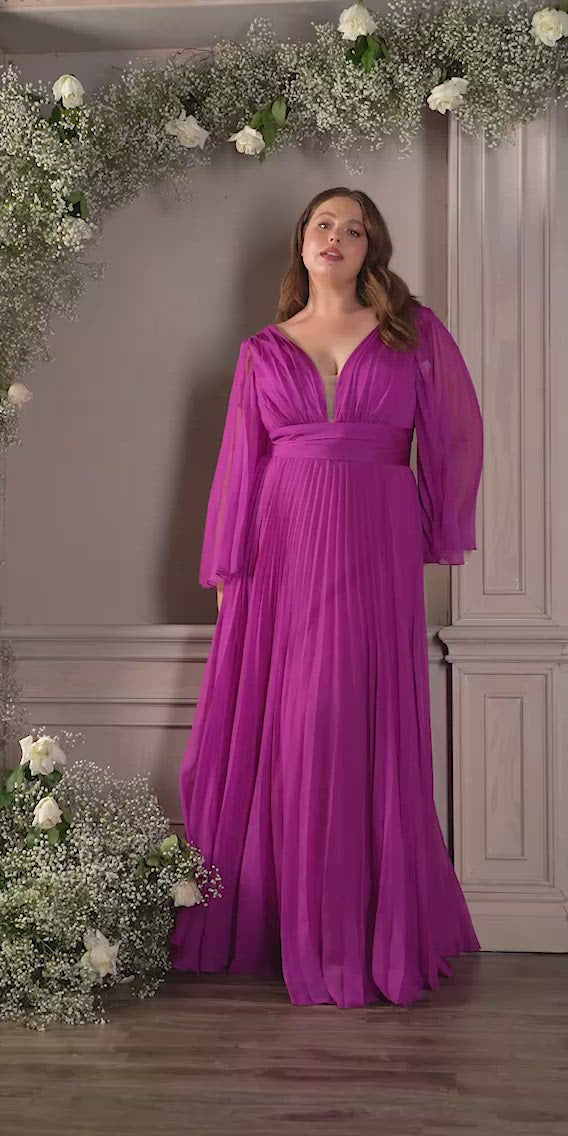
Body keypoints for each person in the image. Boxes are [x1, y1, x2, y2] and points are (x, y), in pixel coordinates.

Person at [169, 186, 483, 1007]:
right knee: (297, 719)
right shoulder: (262, 351)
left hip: (377, 546)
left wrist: (436, 528)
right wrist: (228, 572)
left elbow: (454, 436)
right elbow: (240, 466)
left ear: (372, 247)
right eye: (323, 224)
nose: (335, 236)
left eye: (354, 228)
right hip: (282, 552)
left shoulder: (412, 332)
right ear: (301, 242)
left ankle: (361, 928)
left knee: (357, 716)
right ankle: (291, 924)